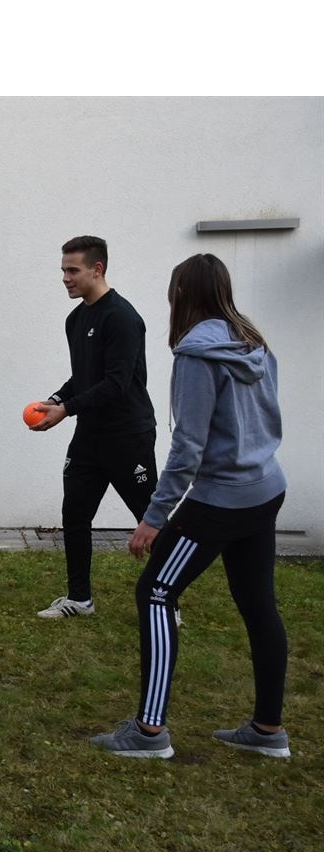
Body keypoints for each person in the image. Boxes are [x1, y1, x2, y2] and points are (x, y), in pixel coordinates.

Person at [90, 254, 290, 760]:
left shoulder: (196, 356)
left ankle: (148, 732)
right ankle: (268, 731)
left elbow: (187, 450)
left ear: (180, 294)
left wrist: (153, 518)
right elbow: (269, 419)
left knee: (156, 591)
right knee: (259, 604)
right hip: (265, 489)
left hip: (221, 500)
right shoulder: (254, 342)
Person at [29, 235, 159, 618]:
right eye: (63, 270)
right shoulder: (75, 320)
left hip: (128, 436)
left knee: (150, 518)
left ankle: (166, 600)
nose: (65, 278)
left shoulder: (122, 318)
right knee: (75, 514)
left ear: (97, 269)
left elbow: (116, 384)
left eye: (73, 270)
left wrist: (66, 409)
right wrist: (56, 399)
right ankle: (80, 599)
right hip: (89, 437)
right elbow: (84, 377)